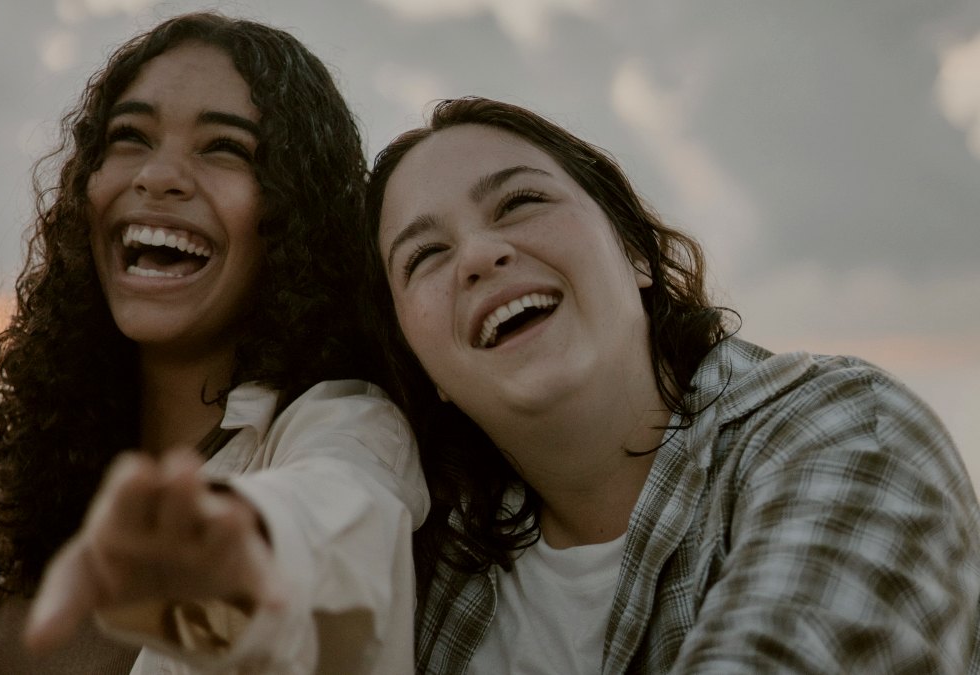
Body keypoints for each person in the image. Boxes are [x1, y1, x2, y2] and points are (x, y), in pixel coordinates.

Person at [0, 13, 427, 675]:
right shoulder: (43, 475)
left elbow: (338, 527)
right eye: (129, 137)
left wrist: (245, 541)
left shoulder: (344, 425)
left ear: (294, 214)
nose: (158, 176)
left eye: (223, 147)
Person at [361, 96, 980, 673]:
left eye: (520, 202)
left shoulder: (841, 432)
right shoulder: (415, 560)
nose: (478, 255)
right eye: (425, 256)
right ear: (420, 365)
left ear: (633, 251)